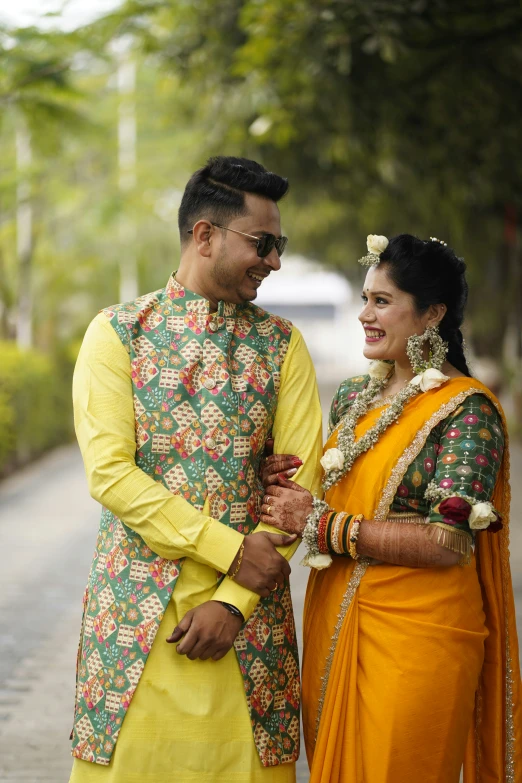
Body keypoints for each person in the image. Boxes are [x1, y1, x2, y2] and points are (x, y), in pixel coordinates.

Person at [69, 156, 323, 783]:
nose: (274, 260)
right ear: (204, 235)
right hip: (133, 622)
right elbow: (110, 474)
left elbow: (298, 488)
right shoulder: (118, 334)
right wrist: (232, 553)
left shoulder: (282, 345)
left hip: (246, 632)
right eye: (262, 243)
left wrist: (233, 604)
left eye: (279, 245)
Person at [260, 233, 522, 783]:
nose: (364, 315)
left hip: (419, 640)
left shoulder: (466, 411)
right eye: (364, 299)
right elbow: (326, 490)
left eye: (382, 301)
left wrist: (323, 525)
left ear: (432, 313)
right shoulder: (354, 396)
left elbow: (448, 542)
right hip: (336, 623)